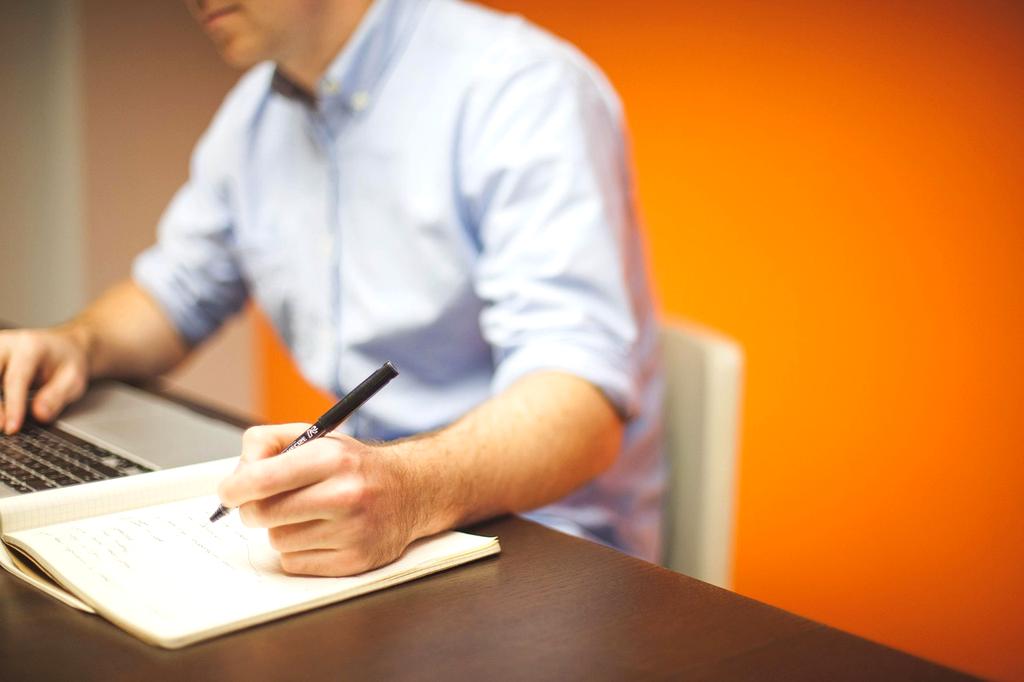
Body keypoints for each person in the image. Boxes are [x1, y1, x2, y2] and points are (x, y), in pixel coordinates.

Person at [0, 0, 663, 575]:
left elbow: (580, 406)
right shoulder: (256, 116)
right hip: (371, 519)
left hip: (541, 548)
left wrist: (409, 491)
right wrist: (77, 344)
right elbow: (175, 293)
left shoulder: (520, 88)